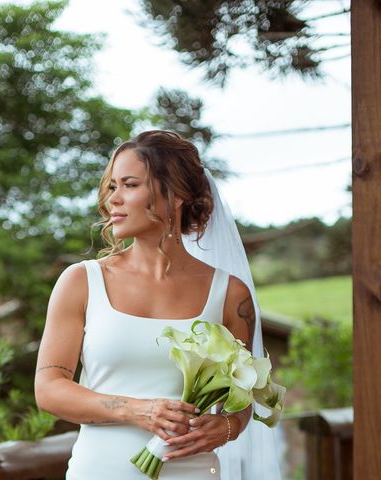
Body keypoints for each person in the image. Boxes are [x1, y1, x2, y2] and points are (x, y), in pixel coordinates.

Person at [34, 130, 281, 479]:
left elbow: (241, 402)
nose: (112, 200)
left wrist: (227, 427)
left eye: (130, 185)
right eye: (112, 187)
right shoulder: (82, 282)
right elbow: (48, 390)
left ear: (176, 195)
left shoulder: (230, 295)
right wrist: (138, 410)